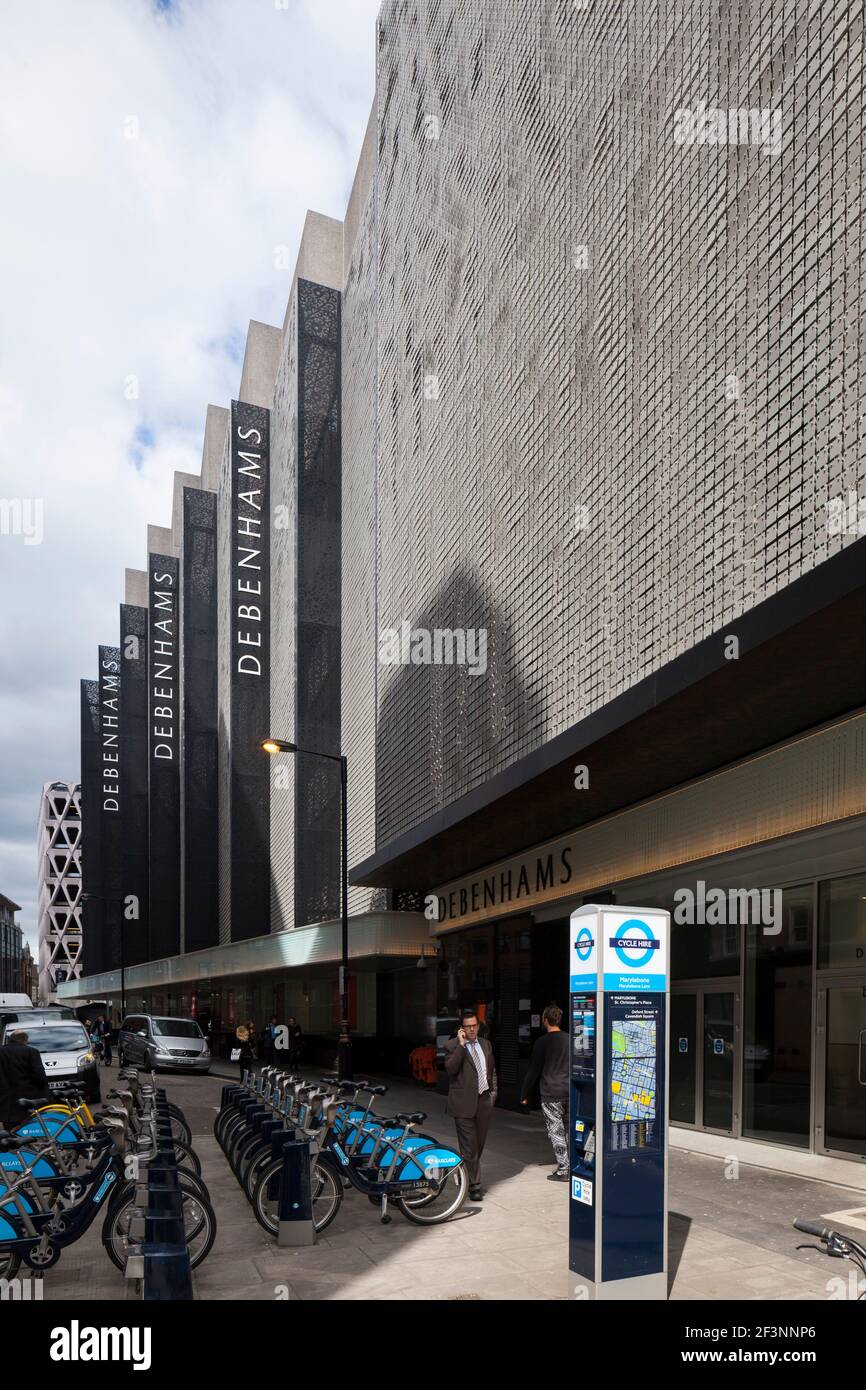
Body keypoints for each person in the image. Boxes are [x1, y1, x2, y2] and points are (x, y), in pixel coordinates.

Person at [443, 1009, 497, 1203]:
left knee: (478, 1146)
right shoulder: (451, 1045)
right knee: (470, 1146)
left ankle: (463, 1170)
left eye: (475, 1025)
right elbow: (450, 1069)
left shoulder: (486, 1044)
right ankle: (474, 1186)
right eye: (468, 1026)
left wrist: (493, 1094)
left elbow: (491, 1070)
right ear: (462, 1028)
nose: (472, 1029)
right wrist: (461, 1045)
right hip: (463, 1103)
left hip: (484, 1101)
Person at [520, 1003, 570, 1180]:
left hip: (551, 1093)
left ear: (545, 1020)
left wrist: (524, 1094)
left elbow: (534, 1070)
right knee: (569, 1130)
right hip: (569, 1091)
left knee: (556, 1131)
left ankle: (564, 1169)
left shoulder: (542, 1042)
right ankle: (572, 1163)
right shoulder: (569, 1039)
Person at [0, 1030, 50, 1128]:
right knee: (27, 1127)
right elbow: (39, 1074)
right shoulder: (31, 1051)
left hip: (5, 1099)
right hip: (26, 1096)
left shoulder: (1, 1052)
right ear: (25, 1040)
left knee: (9, 1129)